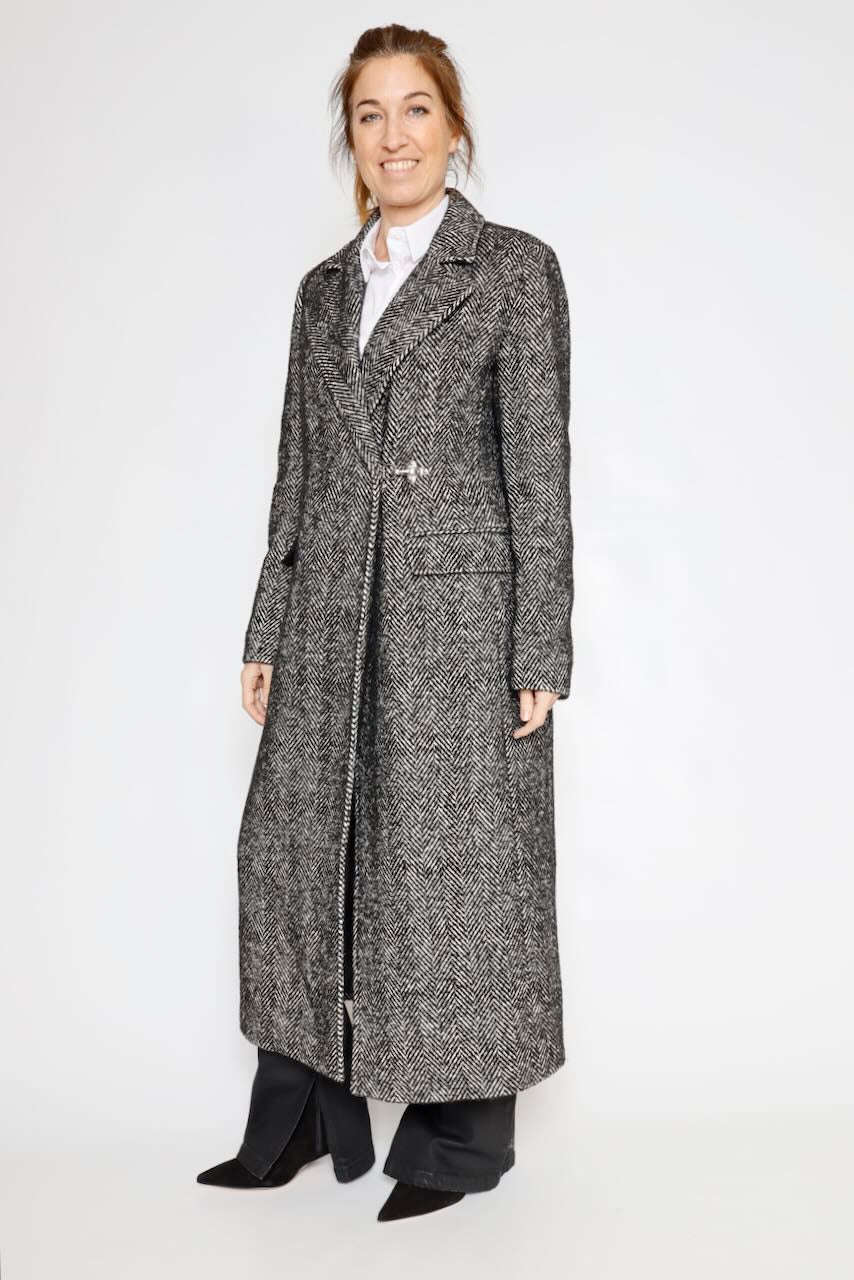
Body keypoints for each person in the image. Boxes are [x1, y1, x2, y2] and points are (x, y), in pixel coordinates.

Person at [197, 22, 574, 1223]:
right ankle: (303, 1105)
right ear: (348, 137)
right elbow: (297, 468)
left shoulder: (509, 269)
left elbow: (539, 470)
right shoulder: (322, 290)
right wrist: (267, 622)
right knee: (298, 849)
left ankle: (458, 1139)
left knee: (455, 869)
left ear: (452, 129)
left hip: (456, 614)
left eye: (415, 109)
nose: (393, 134)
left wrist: (539, 641)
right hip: (325, 606)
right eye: (369, 113)